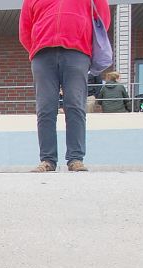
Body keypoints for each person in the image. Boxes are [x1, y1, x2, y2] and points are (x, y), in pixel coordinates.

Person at [20, 0, 110, 172]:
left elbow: (102, 18)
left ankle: (76, 158)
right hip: (42, 54)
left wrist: (83, 40)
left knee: (75, 105)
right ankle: (47, 160)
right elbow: (25, 28)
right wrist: (36, 47)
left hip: (77, 52)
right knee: (45, 108)